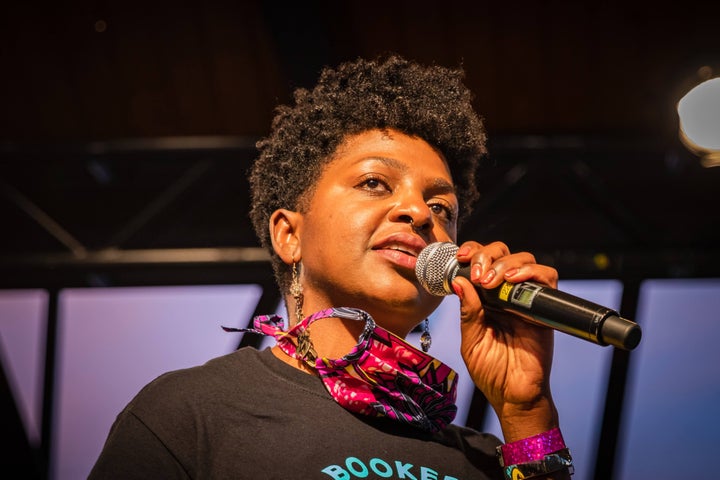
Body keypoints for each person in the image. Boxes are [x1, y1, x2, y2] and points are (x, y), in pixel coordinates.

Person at [89, 54, 573, 480]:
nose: (421, 214)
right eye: (375, 183)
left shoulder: (490, 461)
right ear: (289, 235)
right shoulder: (192, 414)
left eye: (442, 207)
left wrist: (525, 413)